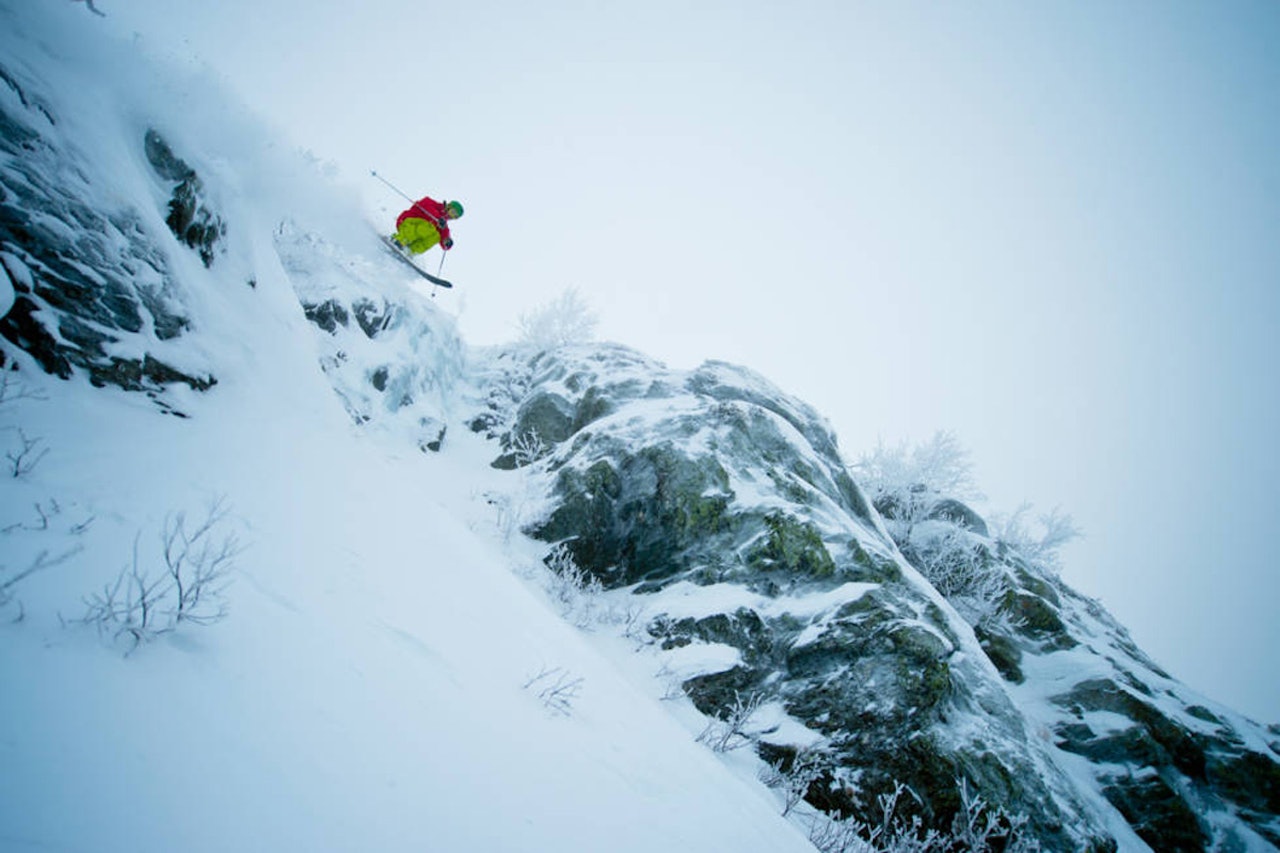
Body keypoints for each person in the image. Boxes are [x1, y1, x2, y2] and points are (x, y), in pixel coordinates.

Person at [392, 196, 464, 256]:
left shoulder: (443, 225)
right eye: (452, 212)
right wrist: (438, 218)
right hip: (408, 223)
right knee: (430, 227)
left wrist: (447, 242)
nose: (451, 216)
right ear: (448, 207)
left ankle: (410, 251)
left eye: (455, 216)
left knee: (437, 236)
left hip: (417, 232)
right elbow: (425, 204)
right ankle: (399, 240)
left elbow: (444, 237)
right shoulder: (433, 204)